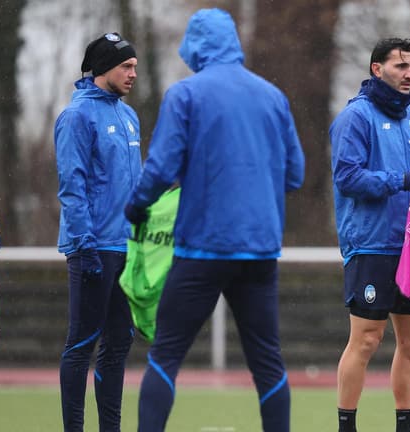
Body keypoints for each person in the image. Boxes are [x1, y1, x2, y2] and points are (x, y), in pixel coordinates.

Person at [124, 8, 304, 432]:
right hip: (259, 249)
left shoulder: (186, 95)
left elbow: (162, 166)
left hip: (202, 248)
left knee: (166, 354)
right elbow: (294, 173)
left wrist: (137, 206)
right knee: (267, 362)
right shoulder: (273, 96)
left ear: (196, 47)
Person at [330, 38, 410, 432]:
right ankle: (346, 426)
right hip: (371, 244)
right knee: (367, 339)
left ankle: (406, 427)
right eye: (401, 66)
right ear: (377, 69)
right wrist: (400, 181)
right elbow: (347, 178)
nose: (409, 74)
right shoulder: (356, 118)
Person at [54, 32, 140, 432]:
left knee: (120, 343)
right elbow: (72, 185)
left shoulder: (128, 116)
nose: (133, 73)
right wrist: (83, 244)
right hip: (93, 247)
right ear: (104, 67)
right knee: (81, 344)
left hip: (126, 248)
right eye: (126, 66)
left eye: (136, 66)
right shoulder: (76, 117)